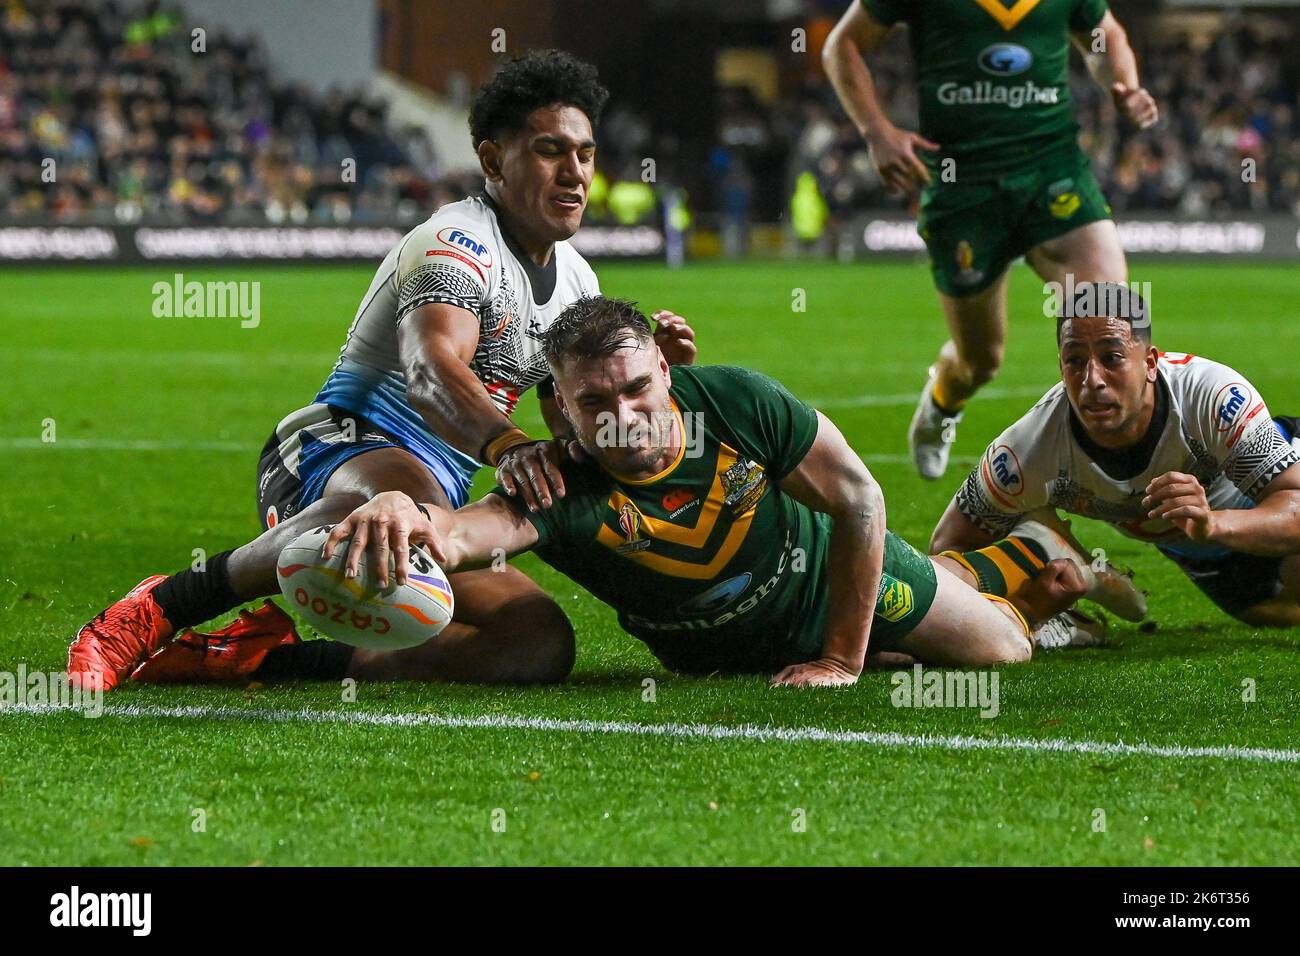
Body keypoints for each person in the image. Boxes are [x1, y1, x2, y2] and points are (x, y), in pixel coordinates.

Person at [68, 51, 697, 691]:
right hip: (333, 450)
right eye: (548, 150)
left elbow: (568, 407)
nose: (575, 174)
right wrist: (508, 446)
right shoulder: (456, 242)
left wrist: (640, 379)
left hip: (434, 508)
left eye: (585, 154)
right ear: (491, 160)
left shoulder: (578, 279)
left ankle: (257, 658)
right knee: (400, 503)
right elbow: (430, 369)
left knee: (534, 644)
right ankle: (156, 609)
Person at [286, 296, 1094, 691]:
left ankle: (1027, 554)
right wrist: (402, 512)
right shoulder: (559, 480)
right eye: (596, 404)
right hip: (711, 651)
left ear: (666, 372)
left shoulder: (738, 401)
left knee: (1004, 652)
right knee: (916, 655)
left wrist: (841, 661)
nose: (625, 417)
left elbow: (859, 500)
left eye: (638, 388)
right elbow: (464, 533)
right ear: (561, 407)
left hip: (833, 580)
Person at [822, 0, 1158, 479]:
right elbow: (843, 44)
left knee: (1108, 316)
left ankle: (1112, 470)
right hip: (964, 190)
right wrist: (876, 131)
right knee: (980, 360)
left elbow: (1107, 37)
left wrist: (1124, 86)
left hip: (1054, 172)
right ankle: (942, 401)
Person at [931, 282, 1300, 632]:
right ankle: (1068, 559)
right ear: (1060, 367)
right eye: (1074, 361)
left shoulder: (1211, 398)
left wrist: (1213, 523)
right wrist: (1033, 603)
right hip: (1202, 553)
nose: (1092, 379)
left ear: (1151, 363)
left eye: (1112, 357)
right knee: (1283, 615)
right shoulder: (1028, 451)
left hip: (1259, 500)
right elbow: (950, 547)